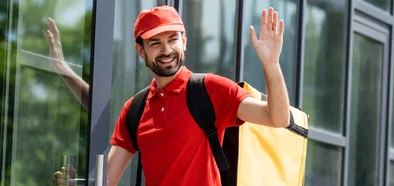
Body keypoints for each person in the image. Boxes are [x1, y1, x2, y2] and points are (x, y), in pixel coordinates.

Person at [46, 5, 290, 186]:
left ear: (184, 41)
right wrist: (75, 183)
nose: (166, 50)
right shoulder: (135, 110)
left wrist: (271, 64)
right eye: (155, 43)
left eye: (173, 39)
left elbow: (278, 118)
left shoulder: (211, 89)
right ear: (140, 50)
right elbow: (106, 180)